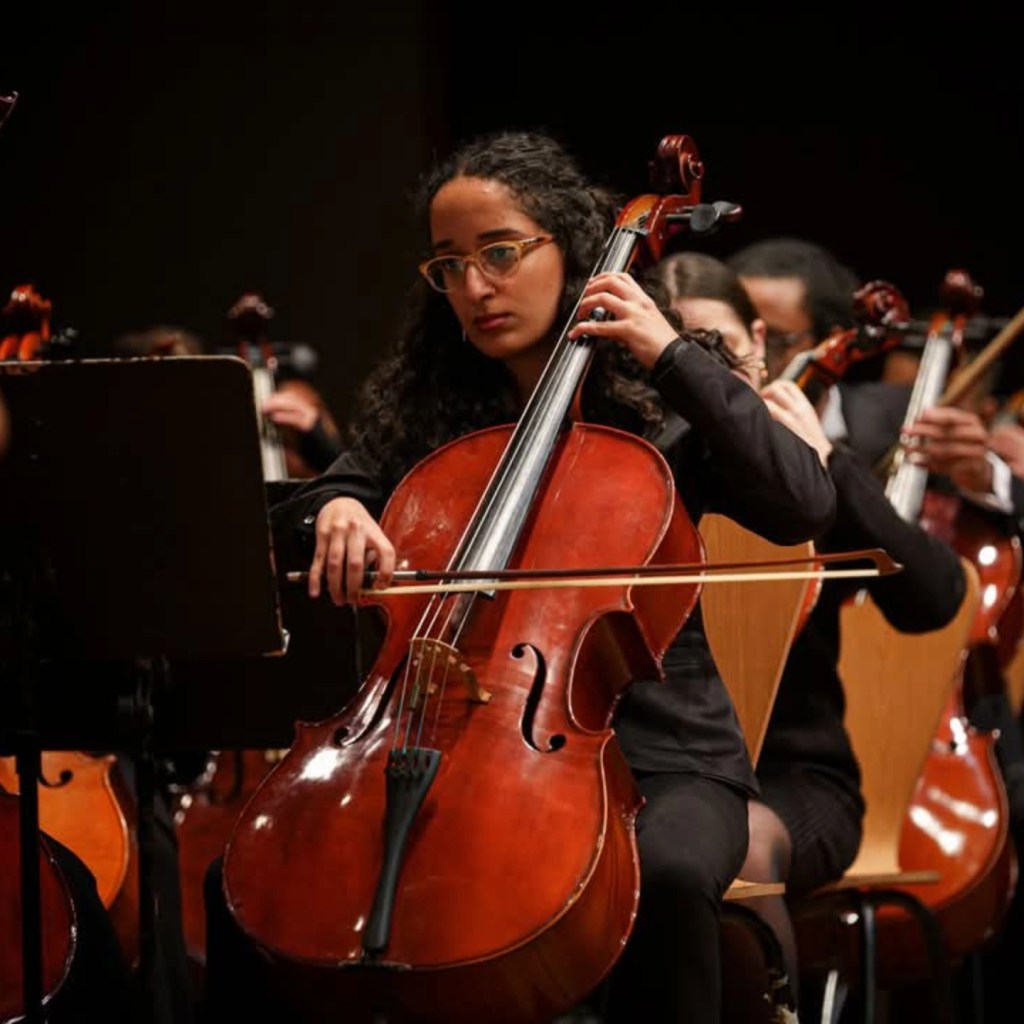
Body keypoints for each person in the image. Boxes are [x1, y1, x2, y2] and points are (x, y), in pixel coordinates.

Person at [202, 129, 837, 1024]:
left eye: (500, 253)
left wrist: (670, 353)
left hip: (663, 752)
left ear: (569, 249)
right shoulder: (432, 408)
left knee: (667, 875)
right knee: (252, 884)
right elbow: (319, 496)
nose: (475, 287)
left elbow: (802, 503)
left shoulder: (666, 399)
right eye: (450, 266)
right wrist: (334, 507)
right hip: (443, 736)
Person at [655, 250, 967, 1020]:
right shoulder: (643, 469)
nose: (696, 380)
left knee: (737, 848)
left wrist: (829, 463)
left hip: (792, 776)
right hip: (659, 765)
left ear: (759, 343)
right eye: (671, 357)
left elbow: (933, 598)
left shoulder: (797, 476)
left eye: (718, 350)